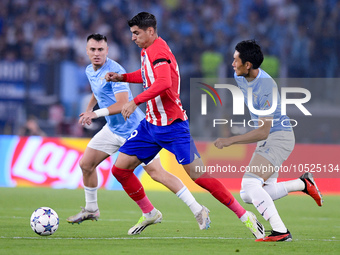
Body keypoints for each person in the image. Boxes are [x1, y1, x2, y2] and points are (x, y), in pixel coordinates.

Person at [105, 12, 265, 238]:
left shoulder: (158, 51)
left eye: (136, 33)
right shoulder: (147, 50)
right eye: (132, 33)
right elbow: (148, 76)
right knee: (120, 169)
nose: (133, 38)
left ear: (150, 31)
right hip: (150, 126)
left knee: (201, 178)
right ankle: (149, 212)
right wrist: (122, 78)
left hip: (173, 127)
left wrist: (134, 101)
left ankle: (245, 216)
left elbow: (163, 82)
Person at [66, 33, 211, 231]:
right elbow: (97, 90)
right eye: (93, 50)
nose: (97, 53)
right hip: (113, 128)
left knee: (157, 173)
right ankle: (92, 209)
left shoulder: (115, 70)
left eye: (101, 50)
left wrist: (96, 114)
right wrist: (90, 108)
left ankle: (197, 209)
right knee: (86, 164)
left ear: (107, 51)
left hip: (134, 129)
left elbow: (123, 103)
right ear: (87, 51)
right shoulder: (89, 70)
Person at [214, 40, 323, 242]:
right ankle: (302, 184)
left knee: (250, 184)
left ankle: (281, 231)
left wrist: (231, 140)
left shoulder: (266, 86)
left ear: (248, 65)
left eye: (235, 60)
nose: (232, 64)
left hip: (278, 136)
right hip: (269, 138)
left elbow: (263, 132)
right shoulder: (239, 76)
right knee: (248, 194)